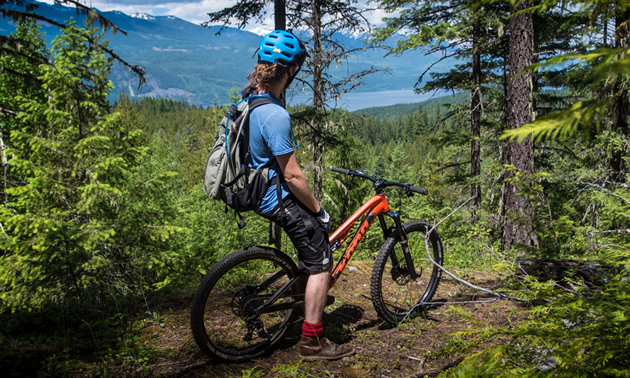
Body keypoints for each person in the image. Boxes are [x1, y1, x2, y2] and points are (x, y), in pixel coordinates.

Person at [246, 30, 354, 361]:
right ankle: (312, 342)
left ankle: (307, 296)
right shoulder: (276, 114)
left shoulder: (249, 100)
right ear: (290, 71)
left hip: (254, 188)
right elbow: (293, 175)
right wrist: (319, 211)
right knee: (322, 262)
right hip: (274, 196)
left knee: (312, 250)